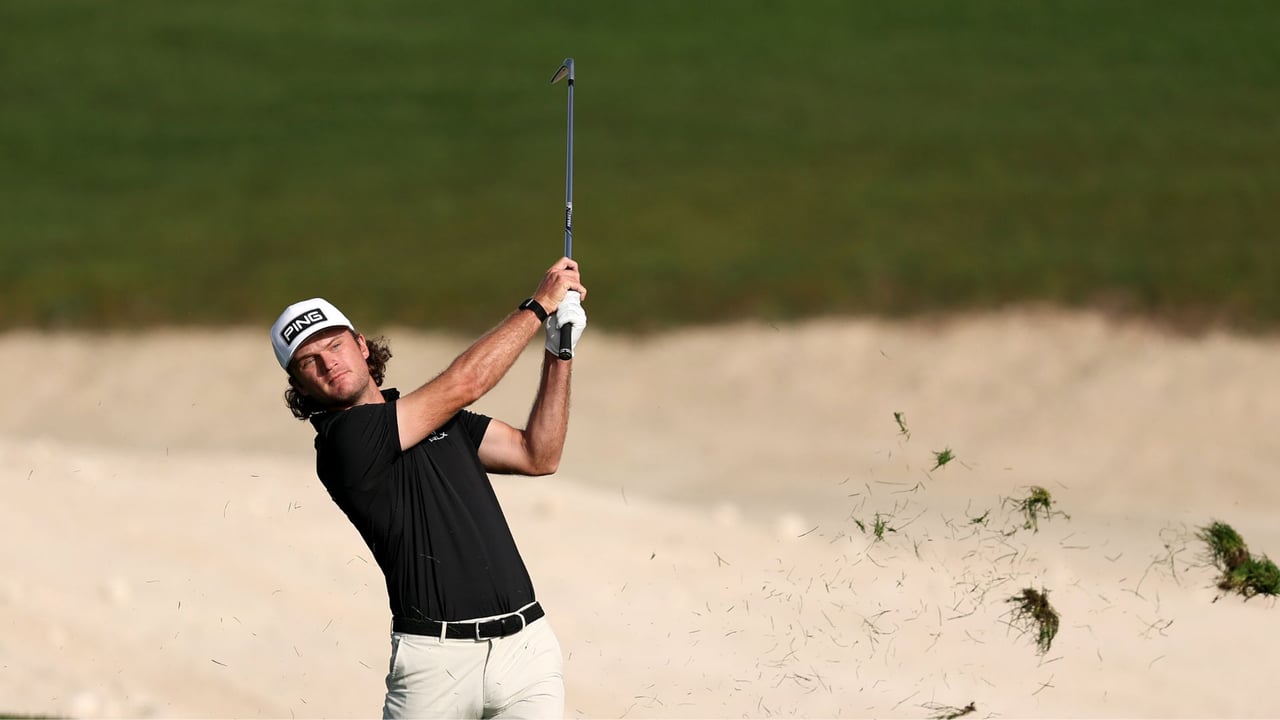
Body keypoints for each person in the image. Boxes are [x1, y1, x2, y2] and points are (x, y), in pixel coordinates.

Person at [269, 257, 587, 719]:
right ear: (299, 384)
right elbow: (467, 382)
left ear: (361, 345)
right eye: (308, 362)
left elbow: (538, 454)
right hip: (435, 665)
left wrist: (560, 351)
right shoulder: (343, 441)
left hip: (526, 650)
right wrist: (539, 306)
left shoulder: (433, 417)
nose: (329, 363)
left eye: (335, 345)